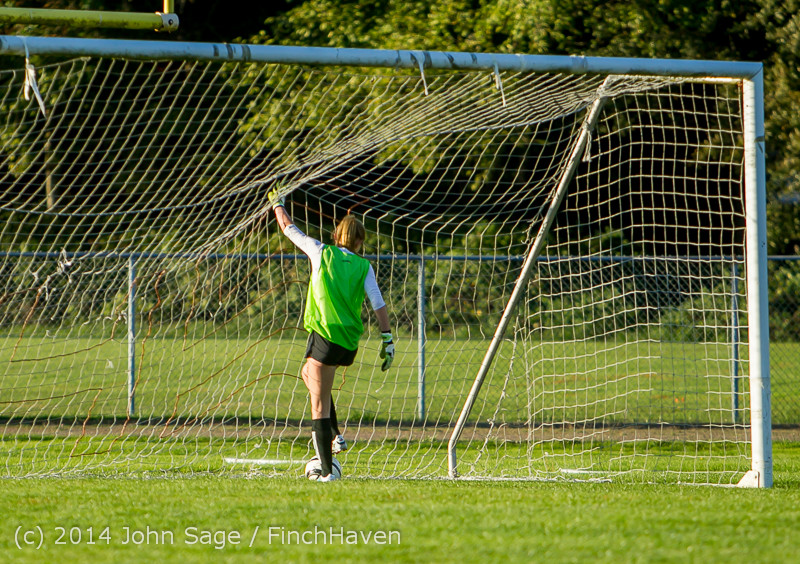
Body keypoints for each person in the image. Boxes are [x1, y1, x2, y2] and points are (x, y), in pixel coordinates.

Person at [268, 188, 394, 482]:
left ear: (337, 236)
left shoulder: (321, 250)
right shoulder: (364, 265)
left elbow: (289, 229)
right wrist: (387, 339)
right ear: (360, 241)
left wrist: (277, 205)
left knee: (319, 403)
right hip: (348, 342)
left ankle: (327, 472)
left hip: (325, 336)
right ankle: (335, 437)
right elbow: (378, 303)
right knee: (308, 377)